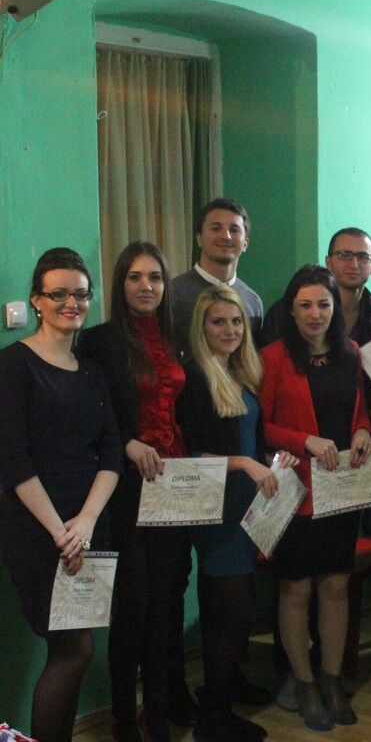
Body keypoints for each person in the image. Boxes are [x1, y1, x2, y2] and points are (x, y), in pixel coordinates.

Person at [0, 248, 121, 742]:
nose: (71, 303)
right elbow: (13, 460)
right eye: (59, 294)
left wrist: (86, 522)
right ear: (36, 300)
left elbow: (111, 452)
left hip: (86, 529)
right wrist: (60, 531)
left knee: (77, 649)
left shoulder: (91, 370)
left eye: (81, 294)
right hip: (38, 531)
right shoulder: (14, 365)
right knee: (74, 650)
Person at [76, 242, 189, 742]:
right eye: (135, 277)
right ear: (120, 283)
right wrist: (126, 441)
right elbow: (91, 414)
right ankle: (124, 719)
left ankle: (157, 715)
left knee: (165, 603)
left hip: (173, 486)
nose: (146, 286)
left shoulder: (176, 338)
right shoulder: (98, 342)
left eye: (155, 278)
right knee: (132, 606)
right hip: (124, 487)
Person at [178, 285, 299, 742]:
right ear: (202, 328)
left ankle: (222, 693)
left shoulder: (240, 373)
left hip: (247, 508)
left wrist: (269, 461)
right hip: (218, 512)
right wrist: (246, 464)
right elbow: (190, 455)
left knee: (226, 614)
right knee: (235, 612)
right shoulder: (196, 378)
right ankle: (214, 717)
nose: (229, 330)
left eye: (235, 322)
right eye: (218, 322)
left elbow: (248, 441)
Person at [259, 265, 371, 731]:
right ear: (291, 310)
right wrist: (304, 440)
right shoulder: (272, 357)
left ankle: (331, 679)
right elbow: (260, 426)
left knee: (335, 587)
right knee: (296, 589)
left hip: (340, 488)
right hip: (293, 490)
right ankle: (304, 683)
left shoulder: (351, 353)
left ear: (335, 308)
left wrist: (362, 430)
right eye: (304, 305)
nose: (314, 314)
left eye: (323, 304)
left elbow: (358, 411)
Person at [261, 228, 371, 347]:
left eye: (363, 257)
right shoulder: (284, 312)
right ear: (328, 262)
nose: (354, 265)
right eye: (344, 255)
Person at [172, 197, 265, 350]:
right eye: (216, 228)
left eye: (234, 230)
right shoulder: (173, 295)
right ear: (199, 239)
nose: (226, 236)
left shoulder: (252, 302)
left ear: (245, 243)